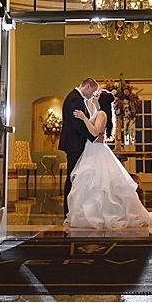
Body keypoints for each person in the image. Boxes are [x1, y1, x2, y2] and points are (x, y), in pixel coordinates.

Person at [64, 81, 152, 232]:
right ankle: (88, 212)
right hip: (91, 149)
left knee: (98, 184)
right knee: (91, 183)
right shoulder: (98, 112)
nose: (94, 96)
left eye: (97, 95)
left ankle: (100, 214)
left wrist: (84, 118)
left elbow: (94, 132)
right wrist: (86, 119)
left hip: (95, 150)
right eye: (94, 93)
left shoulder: (101, 114)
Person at [58, 77, 100, 219]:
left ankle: (74, 208)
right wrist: (93, 137)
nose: (92, 94)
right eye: (93, 91)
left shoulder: (76, 98)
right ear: (87, 87)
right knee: (73, 176)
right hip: (74, 144)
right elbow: (78, 125)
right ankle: (69, 210)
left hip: (75, 143)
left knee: (76, 176)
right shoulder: (75, 99)